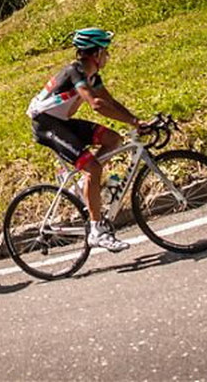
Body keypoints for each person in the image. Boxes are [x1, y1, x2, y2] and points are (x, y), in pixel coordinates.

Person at [27, 28, 148, 252]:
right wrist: (132, 121)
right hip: (45, 125)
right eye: (107, 52)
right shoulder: (76, 71)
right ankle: (96, 231)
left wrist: (136, 121)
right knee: (92, 167)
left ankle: (84, 186)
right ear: (97, 53)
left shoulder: (93, 75)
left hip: (60, 121)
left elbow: (109, 101)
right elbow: (96, 104)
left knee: (113, 140)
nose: (109, 56)